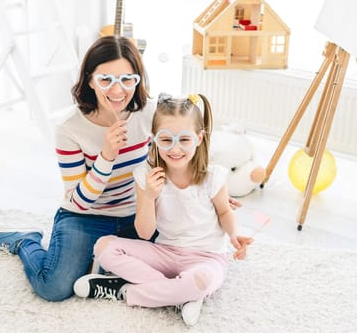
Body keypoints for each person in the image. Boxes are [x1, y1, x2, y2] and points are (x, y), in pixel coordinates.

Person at [0, 35, 156, 302]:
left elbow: (182, 151)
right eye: (106, 79)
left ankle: (103, 261)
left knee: (164, 270)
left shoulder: (150, 114)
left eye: (127, 79)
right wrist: (106, 156)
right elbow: (80, 201)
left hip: (135, 215)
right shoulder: (69, 129)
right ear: (89, 80)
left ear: (138, 79)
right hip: (85, 216)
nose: (118, 90)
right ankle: (25, 242)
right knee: (55, 287)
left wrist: (213, 192)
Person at [73, 93, 254, 326]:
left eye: (184, 140)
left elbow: (224, 213)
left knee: (199, 281)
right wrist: (149, 196)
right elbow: (145, 234)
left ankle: (125, 291)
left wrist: (234, 235)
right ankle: (180, 295)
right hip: (165, 252)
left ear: (199, 138)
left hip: (206, 257)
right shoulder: (144, 175)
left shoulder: (214, 176)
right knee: (104, 247)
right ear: (154, 139)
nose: (175, 149)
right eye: (166, 140)